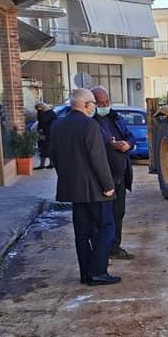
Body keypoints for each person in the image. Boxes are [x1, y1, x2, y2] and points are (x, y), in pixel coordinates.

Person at [50, 88, 120, 286]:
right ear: (86, 105)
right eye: (93, 104)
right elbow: (98, 159)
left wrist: (66, 178)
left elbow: (54, 156)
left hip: (73, 189)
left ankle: (86, 273)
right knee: (107, 227)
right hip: (94, 189)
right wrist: (108, 185)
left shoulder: (57, 125)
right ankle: (98, 271)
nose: (95, 108)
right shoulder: (90, 126)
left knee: (82, 233)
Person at [91, 86, 135, 260]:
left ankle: (115, 248)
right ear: (93, 103)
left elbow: (129, 135)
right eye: (100, 103)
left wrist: (127, 144)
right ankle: (101, 252)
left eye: (106, 102)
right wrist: (111, 144)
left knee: (118, 213)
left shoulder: (116, 118)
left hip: (120, 176)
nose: (104, 105)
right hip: (102, 179)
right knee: (101, 217)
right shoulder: (91, 122)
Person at [35, 103, 57, 169]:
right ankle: (48, 164)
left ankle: (47, 164)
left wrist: (39, 111)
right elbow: (40, 120)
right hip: (45, 133)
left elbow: (42, 120)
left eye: (38, 108)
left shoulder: (49, 113)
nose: (38, 110)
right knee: (44, 148)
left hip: (48, 133)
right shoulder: (46, 112)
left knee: (45, 148)